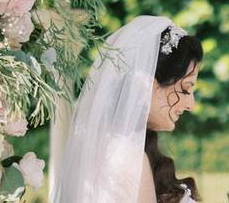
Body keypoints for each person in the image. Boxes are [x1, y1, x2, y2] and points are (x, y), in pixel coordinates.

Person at [52, 16, 204, 203]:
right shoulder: (128, 158)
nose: (191, 105)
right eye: (186, 88)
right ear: (150, 86)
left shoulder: (102, 147)